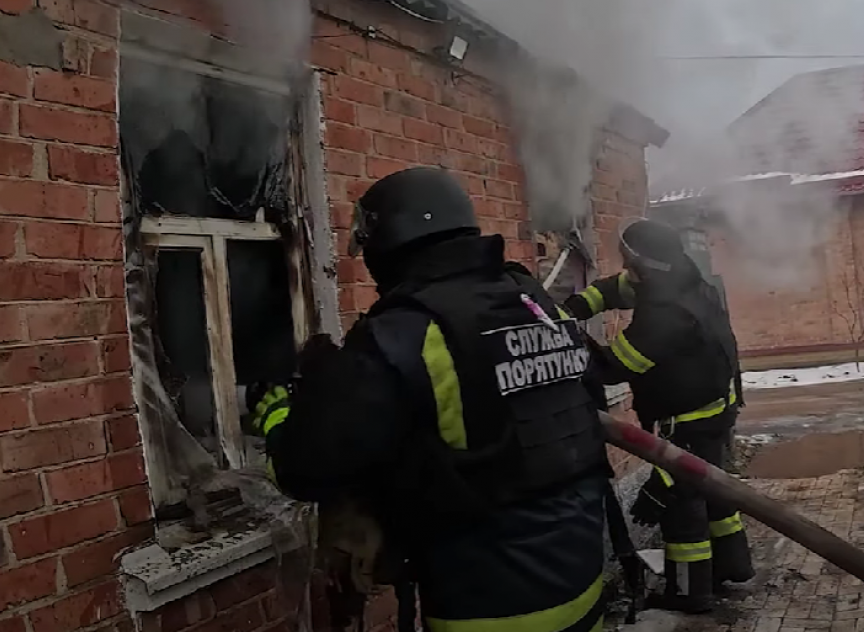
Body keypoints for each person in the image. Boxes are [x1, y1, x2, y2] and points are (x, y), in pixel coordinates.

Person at [252, 166, 612, 632]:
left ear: (388, 245)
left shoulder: (405, 333)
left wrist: (279, 413)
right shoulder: (535, 303)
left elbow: (305, 469)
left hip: (490, 613)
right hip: (583, 587)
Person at [563, 219, 753, 613]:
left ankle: (689, 592)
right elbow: (620, 288)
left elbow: (613, 368)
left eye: (629, 260)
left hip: (685, 423)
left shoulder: (664, 317)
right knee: (715, 491)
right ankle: (731, 565)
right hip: (717, 411)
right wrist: (577, 305)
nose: (625, 268)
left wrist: (572, 340)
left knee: (682, 508)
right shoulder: (687, 279)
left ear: (643, 263)